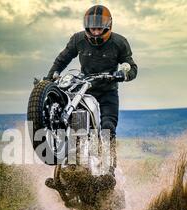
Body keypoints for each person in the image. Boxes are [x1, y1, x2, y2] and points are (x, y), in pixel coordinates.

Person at [45, 5, 138, 177]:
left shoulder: (119, 42)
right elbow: (62, 59)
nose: (95, 31)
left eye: (99, 27)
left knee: (108, 127)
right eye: (92, 27)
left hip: (108, 91)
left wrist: (123, 74)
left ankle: (109, 171)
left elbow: (132, 67)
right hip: (85, 90)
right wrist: (49, 78)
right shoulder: (78, 39)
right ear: (86, 26)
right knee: (77, 125)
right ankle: (72, 167)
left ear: (108, 26)